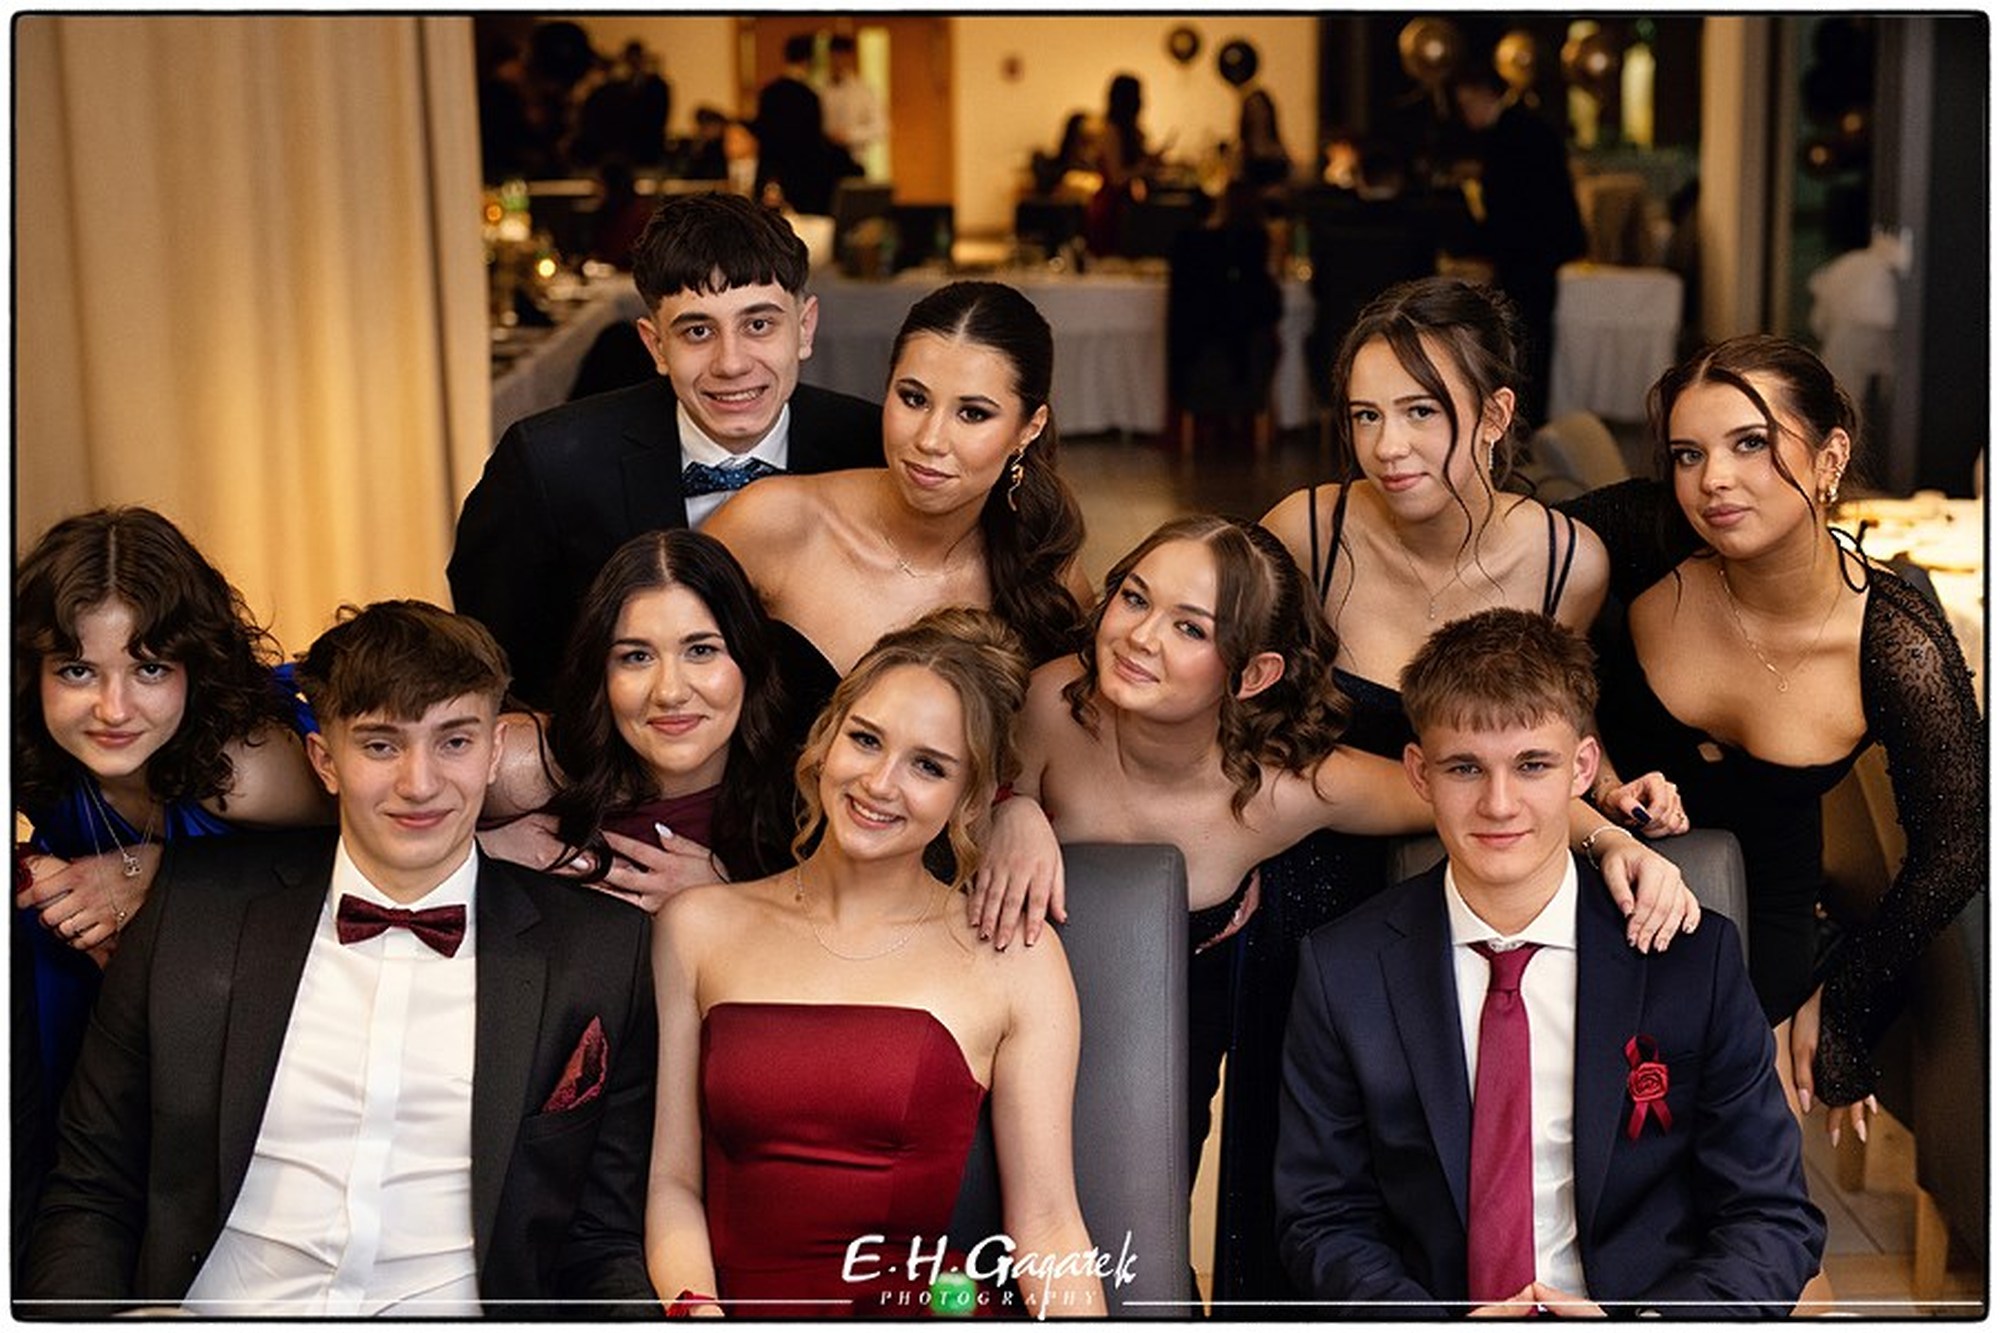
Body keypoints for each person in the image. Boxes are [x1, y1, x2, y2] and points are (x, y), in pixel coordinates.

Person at [969, 517, 1695, 1218]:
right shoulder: (1050, 705)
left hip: (1178, 1029)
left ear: (1255, 673)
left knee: (1142, 1210)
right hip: (1009, 1007)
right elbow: (954, 802)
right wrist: (1011, 806)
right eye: (1134, 597)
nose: (1140, 636)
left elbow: (1468, 791)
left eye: (1190, 628)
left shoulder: (1287, 788)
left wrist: (1612, 840)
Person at [1209, 278, 1675, 1306]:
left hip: (1477, 895)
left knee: (1452, 1168)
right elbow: (1226, 716)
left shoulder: (1566, 564)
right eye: (1365, 415)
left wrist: (1615, 803)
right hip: (1312, 887)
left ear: (1496, 413)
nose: (1388, 447)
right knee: (1299, 1177)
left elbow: (1542, 733)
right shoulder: (1307, 531)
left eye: (1421, 411)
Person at [20, 601, 659, 1316]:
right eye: (381, 746)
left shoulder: (599, 952)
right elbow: (92, 1190)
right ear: (324, 760)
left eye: (454, 741)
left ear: (494, 748)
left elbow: (601, 1245)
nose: (420, 783)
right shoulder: (192, 912)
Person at [1275, 608, 1826, 1315]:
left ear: (1583, 767)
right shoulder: (1343, 970)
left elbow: (1771, 1216)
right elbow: (1321, 1218)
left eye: (1532, 764)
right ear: (1419, 773)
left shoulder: (1691, 958)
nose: (1499, 804)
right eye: (1465, 767)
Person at [1557, 335, 1985, 1139]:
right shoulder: (1646, 534)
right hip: (1600, 877)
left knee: (1742, 1159)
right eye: (1688, 453)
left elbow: (1958, 848)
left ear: (1831, 458)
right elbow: (1516, 603)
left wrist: (1846, 998)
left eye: (1750, 443)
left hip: (1764, 910)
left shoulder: (1896, 643)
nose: (1712, 479)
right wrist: (1600, 775)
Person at [646, 609, 1103, 1317]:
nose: (881, 783)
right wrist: (698, 1314)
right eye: (866, 739)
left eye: (928, 766)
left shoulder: (1014, 955)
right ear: (826, 738)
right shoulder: (696, 926)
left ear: (970, 798)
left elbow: (1047, 1222)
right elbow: (673, 1183)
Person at [12, 507, 330, 1275]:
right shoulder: (30, 736)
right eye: (77, 670)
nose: (113, 709)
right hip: (85, 979)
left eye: (149, 668)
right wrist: (26, 870)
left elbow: (366, 859)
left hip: (248, 999)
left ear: (194, 665)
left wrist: (159, 875)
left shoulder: (241, 766)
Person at [449, 190, 883, 708]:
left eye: (758, 325)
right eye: (698, 331)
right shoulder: (547, 466)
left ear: (805, 328)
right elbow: (490, 669)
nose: (731, 363)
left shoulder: (870, 449)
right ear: (656, 345)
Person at [704, 279, 1087, 716]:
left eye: (973, 414)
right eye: (914, 398)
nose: (930, 439)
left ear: (1029, 428)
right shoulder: (773, 520)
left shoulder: (1047, 575)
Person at [478, 529, 797, 911]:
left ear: (749, 658)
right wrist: (479, 853)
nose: (670, 692)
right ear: (601, 673)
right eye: (637, 657)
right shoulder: (525, 762)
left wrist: (729, 903)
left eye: (700, 650)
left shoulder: (806, 807)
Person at [1449, 65, 1587, 425]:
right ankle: (1527, 419)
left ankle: (1523, 420)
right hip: (1539, 249)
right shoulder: (1526, 127)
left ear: (1485, 95)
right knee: (1529, 335)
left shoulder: (1509, 135)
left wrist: (1476, 242)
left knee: (1525, 337)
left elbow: (1511, 208)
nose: (1466, 114)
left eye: (1467, 104)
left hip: (1528, 251)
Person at [1084, 73, 1154, 256]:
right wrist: (1145, 166)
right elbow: (1116, 177)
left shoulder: (1124, 131)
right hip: (1111, 208)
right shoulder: (1112, 132)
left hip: (1118, 206)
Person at [820, 34, 886, 166]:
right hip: (822, 159)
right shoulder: (819, 88)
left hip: (853, 159)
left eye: (842, 56)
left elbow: (881, 127)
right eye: (834, 56)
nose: (837, 61)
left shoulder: (863, 90)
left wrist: (849, 135)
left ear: (849, 57)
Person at [1233, 88, 1291, 189]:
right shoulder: (1242, 153)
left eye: (1261, 109)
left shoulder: (1278, 148)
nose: (1258, 115)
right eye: (1253, 110)